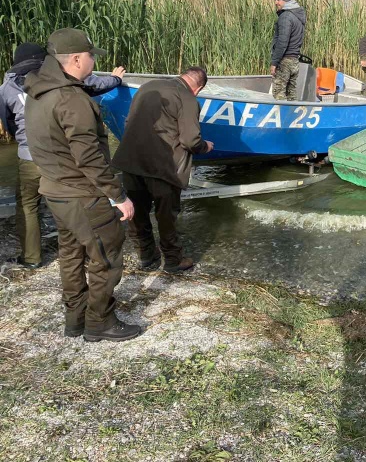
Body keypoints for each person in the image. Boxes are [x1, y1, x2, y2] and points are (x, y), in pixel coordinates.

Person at [24, 28, 141, 342]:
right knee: (107, 255)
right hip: (81, 194)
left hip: (53, 190)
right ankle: (99, 321)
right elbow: (88, 156)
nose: (94, 60)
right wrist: (118, 196)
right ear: (76, 59)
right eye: (91, 56)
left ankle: (75, 318)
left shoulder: (39, 90)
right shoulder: (71, 99)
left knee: (72, 254)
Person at [0, 42, 126, 269]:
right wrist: (116, 79)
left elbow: (8, 120)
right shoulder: (62, 80)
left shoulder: (7, 87)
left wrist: (22, 139)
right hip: (61, 157)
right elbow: (96, 84)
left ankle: (31, 257)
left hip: (28, 156)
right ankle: (83, 248)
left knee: (28, 205)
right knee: (71, 201)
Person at [112, 67, 213, 274]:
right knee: (166, 215)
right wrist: (205, 146)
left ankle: (146, 255)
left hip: (131, 161)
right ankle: (173, 260)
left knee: (137, 212)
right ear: (198, 88)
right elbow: (190, 140)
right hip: (163, 167)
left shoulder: (148, 87)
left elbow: (128, 121)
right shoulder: (188, 98)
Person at [270, 0, 307, 101]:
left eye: (278, 0)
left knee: (279, 94)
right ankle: (293, 117)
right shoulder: (298, 16)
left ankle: (281, 117)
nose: (276, 3)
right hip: (295, 61)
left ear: (284, 0)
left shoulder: (286, 16)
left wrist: (274, 62)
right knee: (291, 94)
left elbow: (282, 42)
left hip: (285, 61)